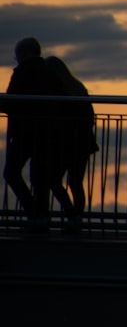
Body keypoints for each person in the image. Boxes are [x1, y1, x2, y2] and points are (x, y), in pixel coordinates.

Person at [2, 37, 67, 232]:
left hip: (24, 131)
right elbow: (63, 101)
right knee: (41, 177)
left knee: (11, 172)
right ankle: (42, 216)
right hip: (49, 132)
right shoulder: (52, 74)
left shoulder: (22, 73)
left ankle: (32, 212)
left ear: (24, 54)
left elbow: (10, 102)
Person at [45, 55, 100, 234]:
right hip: (83, 142)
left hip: (66, 142)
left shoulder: (56, 91)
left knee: (53, 180)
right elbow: (90, 117)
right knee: (76, 182)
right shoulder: (77, 87)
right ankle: (76, 217)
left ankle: (72, 215)